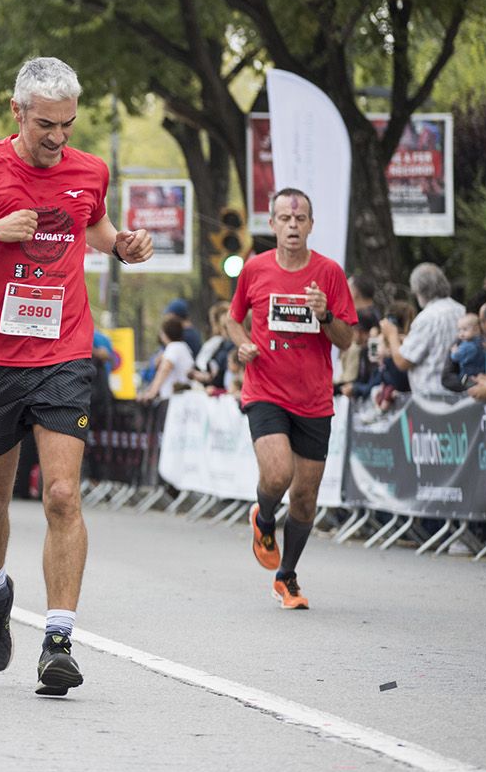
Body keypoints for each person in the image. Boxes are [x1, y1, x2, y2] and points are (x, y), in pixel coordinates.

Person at [0, 56, 153, 696]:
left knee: (63, 495)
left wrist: (120, 243)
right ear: (17, 113)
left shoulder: (88, 170)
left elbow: (92, 224)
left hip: (64, 351)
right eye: (46, 125)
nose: (57, 138)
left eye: (67, 125)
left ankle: (59, 641)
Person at [224, 188, 356, 611]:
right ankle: (263, 519)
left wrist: (326, 316)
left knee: (304, 497)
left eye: (300, 220)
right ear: (272, 224)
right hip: (265, 388)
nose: (293, 226)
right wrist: (242, 343)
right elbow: (232, 319)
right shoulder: (255, 269)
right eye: (285, 219)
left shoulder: (329, 274)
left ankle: (287, 576)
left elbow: (347, 340)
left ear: (311, 225)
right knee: (278, 474)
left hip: (314, 397)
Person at [378, 263, 465, 400]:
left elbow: (402, 361)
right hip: (459, 395)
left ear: (419, 290)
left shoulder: (426, 318)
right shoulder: (461, 310)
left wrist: (392, 335)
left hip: (432, 399)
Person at [138, 315, 195, 402]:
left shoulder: (173, 347)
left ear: (165, 334)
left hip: (172, 399)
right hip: (183, 396)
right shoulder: (183, 347)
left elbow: (165, 370)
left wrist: (151, 393)